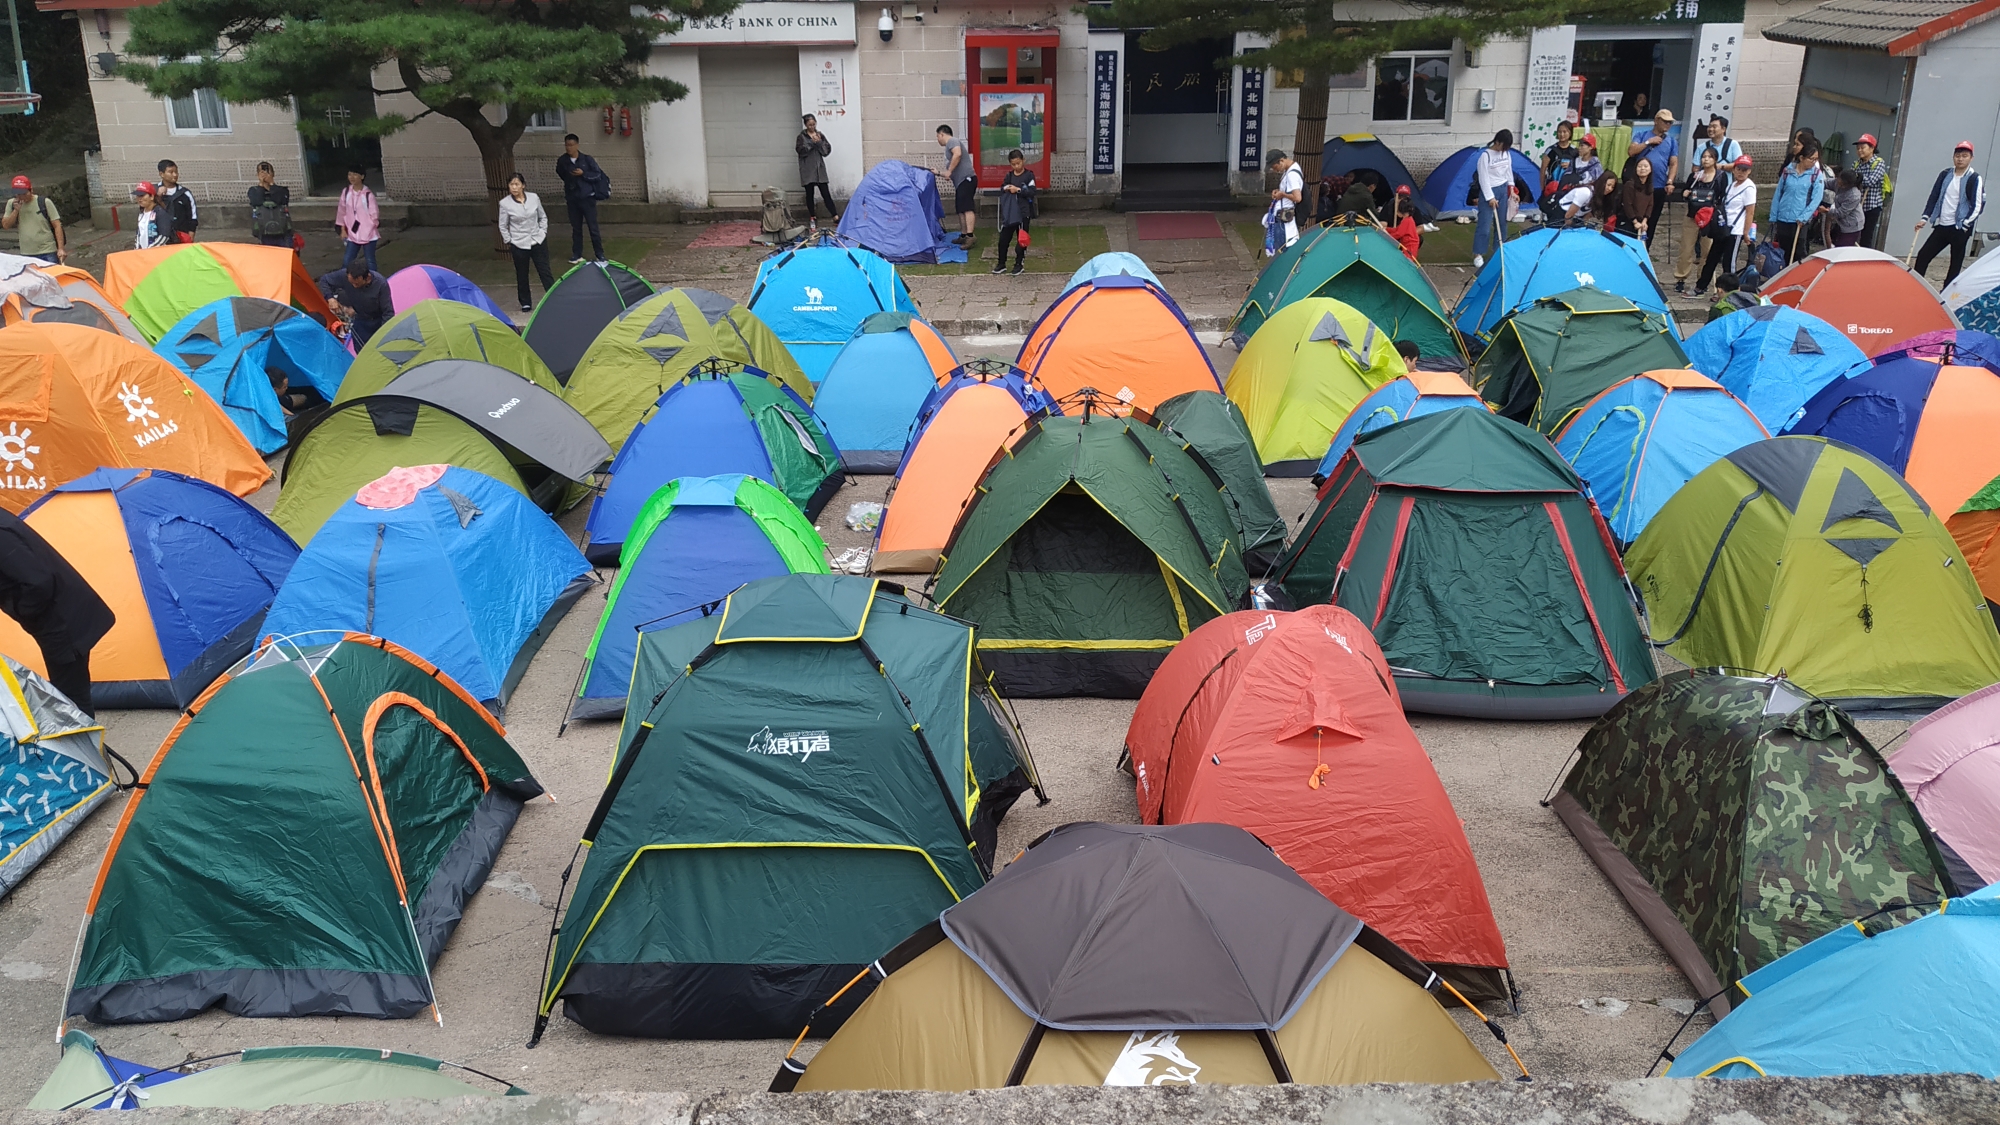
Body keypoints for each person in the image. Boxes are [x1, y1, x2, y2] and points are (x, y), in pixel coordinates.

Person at [0, 509, 114, 715]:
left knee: (71, 701)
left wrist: (22, 611)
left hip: (62, 623)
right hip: (62, 616)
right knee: (71, 694)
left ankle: (85, 746)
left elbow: (38, 582)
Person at [1915, 141, 1985, 285]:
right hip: (1943, 225)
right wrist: (1925, 217)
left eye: (1964, 156)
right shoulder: (1945, 174)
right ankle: (1917, 286)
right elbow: (1934, 196)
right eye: (1957, 155)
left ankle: (1946, 293)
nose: (1960, 159)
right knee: (1923, 255)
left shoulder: (1974, 178)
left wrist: (1965, 224)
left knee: (1955, 263)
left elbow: (1977, 205)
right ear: (1953, 157)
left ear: (1971, 158)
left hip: (1960, 228)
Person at [1697, 155, 1757, 294]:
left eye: (1744, 170)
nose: (1741, 172)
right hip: (1723, 228)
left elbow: (1750, 212)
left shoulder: (1749, 188)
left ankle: (1730, 292)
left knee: (1729, 264)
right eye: (1738, 169)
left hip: (1735, 231)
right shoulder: (1732, 185)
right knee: (1712, 259)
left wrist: (1746, 233)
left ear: (1749, 171)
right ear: (1734, 169)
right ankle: (1701, 287)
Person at [498, 172, 555, 313]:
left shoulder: (534, 198)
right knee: (522, 273)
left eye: (517, 184)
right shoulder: (505, 204)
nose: (514, 187)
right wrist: (509, 241)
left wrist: (542, 232)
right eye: (511, 184)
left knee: (545, 271)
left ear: (523, 185)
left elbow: (542, 217)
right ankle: (525, 302)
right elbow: (503, 225)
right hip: (519, 242)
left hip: (537, 239)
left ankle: (553, 297)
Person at [1769, 140, 1829, 267]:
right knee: (1782, 250)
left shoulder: (1816, 175)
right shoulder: (1787, 171)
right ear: (1801, 158)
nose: (1814, 162)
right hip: (1783, 217)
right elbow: (1778, 193)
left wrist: (1804, 217)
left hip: (1799, 220)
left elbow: (1816, 199)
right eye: (1811, 159)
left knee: (1798, 252)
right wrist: (1774, 215)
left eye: (1816, 159)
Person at [1626, 109, 1678, 246]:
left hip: (1659, 186)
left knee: (1652, 220)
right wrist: (1649, 142)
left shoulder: (1671, 141)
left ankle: (1646, 248)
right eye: (1665, 121)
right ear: (1656, 121)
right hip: (1639, 186)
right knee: (1634, 217)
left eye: (1670, 122)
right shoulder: (1641, 135)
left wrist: (1670, 181)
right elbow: (1631, 151)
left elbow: (1673, 163)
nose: (1668, 124)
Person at [1674, 147, 1722, 294]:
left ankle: (1703, 280)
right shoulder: (1695, 176)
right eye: (1704, 157)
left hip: (1709, 218)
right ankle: (1680, 278)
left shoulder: (1720, 177)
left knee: (1707, 251)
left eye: (1709, 157)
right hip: (1692, 216)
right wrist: (1685, 193)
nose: (1706, 159)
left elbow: (1722, 197)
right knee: (1686, 249)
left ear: (1715, 160)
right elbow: (1684, 193)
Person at [556, 133, 608, 263]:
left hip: (587, 197)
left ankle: (599, 253)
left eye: (572, 145)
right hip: (572, 198)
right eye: (567, 145)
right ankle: (577, 253)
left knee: (593, 227)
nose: (569, 148)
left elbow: (597, 175)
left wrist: (583, 174)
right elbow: (561, 173)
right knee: (576, 228)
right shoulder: (563, 161)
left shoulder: (587, 159)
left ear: (577, 145)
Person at [317, 259, 392, 348]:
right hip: (359, 320)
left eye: (357, 284)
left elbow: (388, 312)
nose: (354, 286)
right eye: (351, 283)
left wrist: (384, 333)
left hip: (377, 321)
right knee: (360, 349)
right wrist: (330, 298)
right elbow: (324, 280)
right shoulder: (345, 275)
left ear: (367, 278)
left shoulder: (381, 284)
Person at [1473, 130, 1515, 267]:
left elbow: (1509, 171)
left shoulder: (1506, 153)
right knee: (1484, 225)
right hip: (1489, 191)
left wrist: (1512, 190)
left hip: (1503, 189)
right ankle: (1478, 253)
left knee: (1502, 224)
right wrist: (1490, 197)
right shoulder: (1485, 156)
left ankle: (1499, 251)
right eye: (1503, 146)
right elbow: (1483, 178)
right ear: (1497, 142)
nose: (1504, 149)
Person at [992, 149, 1036, 275]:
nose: (1016, 166)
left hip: (1023, 213)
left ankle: (1019, 263)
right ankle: (1001, 263)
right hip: (1010, 213)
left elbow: (1032, 192)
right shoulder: (1009, 176)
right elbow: (1002, 187)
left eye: (1018, 163)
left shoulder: (1029, 175)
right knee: (1003, 240)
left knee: (1021, 240)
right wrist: (1007, 188)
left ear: (1023, 161)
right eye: (1013, 164)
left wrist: (1018, 190)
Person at [2, 176, 64, 264]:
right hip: (26, 252)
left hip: (47, 250)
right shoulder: (11, 203)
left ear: (31, 190)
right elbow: (6, 225)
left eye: (24, 193)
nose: (21, 197)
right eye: (18, 194)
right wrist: (16, 210)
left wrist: (60, 249)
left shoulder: (44, 202)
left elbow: (57, 225)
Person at [334, 166, 379, 275]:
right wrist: (343, 229)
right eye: (350, 174)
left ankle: (374, 282)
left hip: (369, 234)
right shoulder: (346, 192)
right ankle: (344, 282)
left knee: (370, 261)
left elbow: (375, 215)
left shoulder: (368, 195)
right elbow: (341, 212)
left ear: (362, 176)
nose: (352, 177)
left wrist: (369, 227)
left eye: (355, 174)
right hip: (353, 234)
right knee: (347, 260)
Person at [937, 125, 975, 247]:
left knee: (967, 208)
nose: (938, 140)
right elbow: (950, 172)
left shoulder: (952, 141)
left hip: (967, 179)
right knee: (961, 209)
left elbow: (957, 154)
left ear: (942, 134)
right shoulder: (949, 146)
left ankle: (970, 236)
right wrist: (938, 173)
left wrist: (949, 171)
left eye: (937, 136)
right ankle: (963, 235)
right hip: (960, 182)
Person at [1852, 133, 1889, 249]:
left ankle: (1865, 261)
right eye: (1858, 148)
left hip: (1872, 206)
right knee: (1853, 234)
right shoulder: (1856, 163)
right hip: (1857, 205)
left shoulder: (1879, 163)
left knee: (1866, 237)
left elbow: (1871, 181)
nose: (1859, 150)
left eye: (1863, 147)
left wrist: (1858, 178)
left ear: (1872, 148)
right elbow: (1850, 180)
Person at [795, 114, 835, 222]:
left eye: (813, 124)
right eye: (809, 125)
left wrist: (819, 142)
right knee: (810, 194)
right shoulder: (801, 137)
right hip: (808, 169)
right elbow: (801, 151)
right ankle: (812, 216)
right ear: (806, 125)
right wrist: (811, 143)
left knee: (826, 193)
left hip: (819, 169)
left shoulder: (820, 135)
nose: (812, 127)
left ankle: (834, 215)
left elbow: (826, 151)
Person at [1264, 148, 1304, 255]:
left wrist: (1282, 194)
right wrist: (1280, 192)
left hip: (1284, 220)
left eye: (1274, 167)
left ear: (1281, 161)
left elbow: (1297, 197)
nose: (1275, 170)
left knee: (1282, 252)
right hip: (1283, 216)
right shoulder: (1290, 169)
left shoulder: (1292, 174)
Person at [246, 161, 293, 249]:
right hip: (264, 231)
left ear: (273, 173)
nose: (265, 174)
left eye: (267, 171)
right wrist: (261, 185)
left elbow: (280, 200)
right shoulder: (253, 190)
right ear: (257, 174)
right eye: (262, 172)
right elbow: (256, 202)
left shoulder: (282, 190)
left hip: (283, 230)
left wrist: (272, 184)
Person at [155, 159, 198, 242]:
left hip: (181, 235)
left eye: (176, 172)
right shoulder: (153, 192)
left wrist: (190, 236)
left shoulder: (185, 193)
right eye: (170, 172)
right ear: (161, 174)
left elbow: (192, 216)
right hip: (160, 237)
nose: (175, 175)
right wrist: (157, 196)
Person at [1617, 157, 1656, 241]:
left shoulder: (1649, 187)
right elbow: (1628, 204)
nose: (1642, 168)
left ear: (1650, 170)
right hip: (1627, 221)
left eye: (1645, 166)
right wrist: (1634, 221)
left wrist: (1645, 221)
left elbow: (1650, 205)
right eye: (1640, 166)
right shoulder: (1629, 185)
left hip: (1641, 223)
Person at [129, 182, 171, 249]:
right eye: (138, 196)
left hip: (157, 254)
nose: (139, 199)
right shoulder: (141, 214)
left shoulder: (160, 213)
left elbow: (164, 236)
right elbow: (139, 234)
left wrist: (150, 250)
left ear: (152, 196)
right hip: (143, 254)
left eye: (142, 195)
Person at [1831, 168, 1865, 248]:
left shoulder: (1854, 195)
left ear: (1849, 185)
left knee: (1843, 248)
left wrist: (1827, 211)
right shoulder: (1837, 182)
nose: (1839, 185)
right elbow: (1826, 183)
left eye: (1842, 185)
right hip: (1841, 223)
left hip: (1852, 225)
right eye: (1838, 181)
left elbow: (1841, 213)